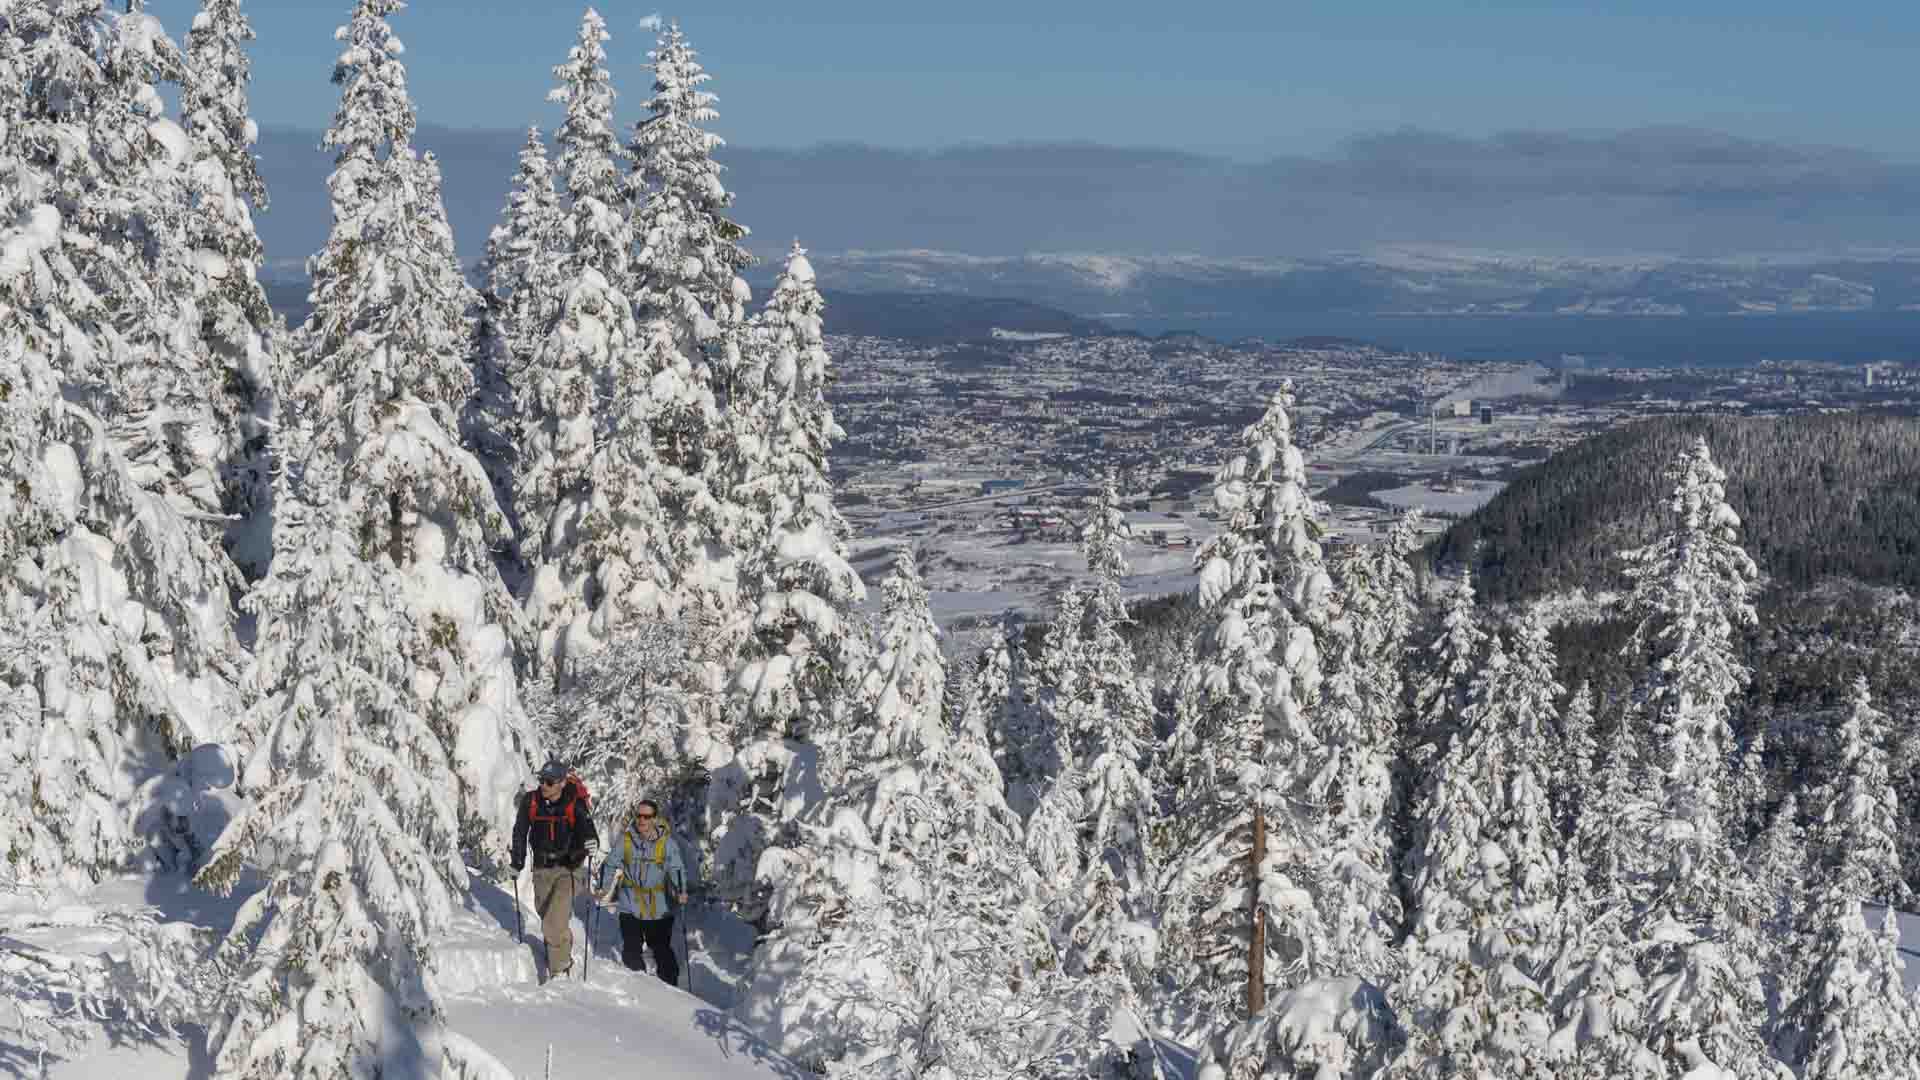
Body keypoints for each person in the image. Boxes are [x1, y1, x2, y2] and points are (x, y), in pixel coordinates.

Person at [511, 760, 599, 979]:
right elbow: (520, 832)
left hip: (569, 870)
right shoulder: (530, 802)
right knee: (547, 916)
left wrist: (591, 843)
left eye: (549, 782)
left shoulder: (574, 804)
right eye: (541, 780)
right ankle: (563, 948)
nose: (544, 785)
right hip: (541, 869)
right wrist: (516, 862)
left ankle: (560, 970)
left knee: (553, 922)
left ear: (561, 783)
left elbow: (589, 832)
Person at [596, 798, 688, 985]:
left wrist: (681, 891)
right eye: (638, 816)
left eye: (647, 816)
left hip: (658, 906)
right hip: (630, 903)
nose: (642, 820)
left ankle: (672, 990)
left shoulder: (666, 844)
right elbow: (611, 863)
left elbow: (677, 869)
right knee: (631, 949)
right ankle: (640, 990)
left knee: (661, 949)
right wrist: (603, 888)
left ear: (654, 819)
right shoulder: (626, 841)